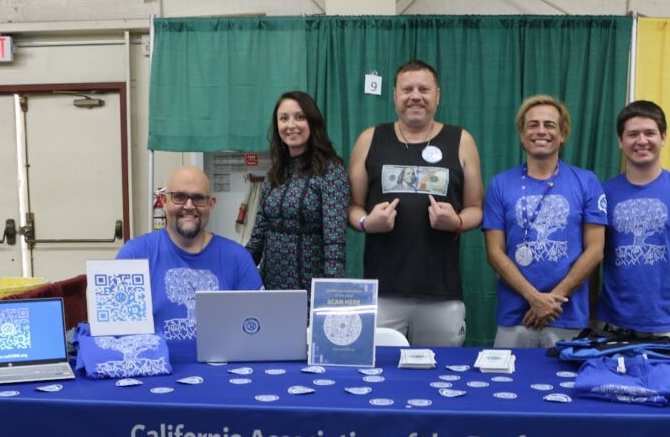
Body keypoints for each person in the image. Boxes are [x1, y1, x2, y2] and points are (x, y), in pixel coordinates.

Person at [347, 59, 483, 347]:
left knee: (440, 370)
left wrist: (457, 222)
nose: (415, 96)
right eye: (407, 89)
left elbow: (476, 209)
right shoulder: (370, 139)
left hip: (441, 294)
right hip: (382, 292)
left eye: (424, 89)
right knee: (379, 370)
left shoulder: (462, 140)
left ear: (438, 95)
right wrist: (367, 222)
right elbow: (353, 207)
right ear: (395, 95)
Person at [482, 95, 607, 348]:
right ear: (522, 135)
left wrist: (553, 300)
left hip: (567, 317)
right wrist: (533, 298)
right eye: (533, 125)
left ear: (563, 134)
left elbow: (595, 249)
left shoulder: (587, 182)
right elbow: (494, 251)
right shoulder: (499, 184)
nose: (541, 131)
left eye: (549, 125)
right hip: (514, 318)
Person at [117, 166, 262, 362]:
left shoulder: (238, 258)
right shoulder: (134, 255)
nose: (189, 205)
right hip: (156, 370)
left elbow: (258, 330)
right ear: (164, 201)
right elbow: (117, 332)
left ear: (211, 204)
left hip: (223, 370)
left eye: (198, 198)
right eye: (179, 196)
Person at [597, 100, 670, 337]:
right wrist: (591, 314)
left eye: (649, 133)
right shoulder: (602, 193)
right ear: (620, 141)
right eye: (633, 134)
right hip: (611, 325)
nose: (641, 140)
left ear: (663, 138)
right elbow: (592, 257)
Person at [246, 91, 348, 290]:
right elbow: (258, 237)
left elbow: (334, 242)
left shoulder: (331, 171)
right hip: (270, 288)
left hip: (310, 291)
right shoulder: (274, 173)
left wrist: (330, 293)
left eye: (300, 117)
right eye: (284, 118)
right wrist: (231, 271)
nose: (291, 125)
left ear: (312, 122)